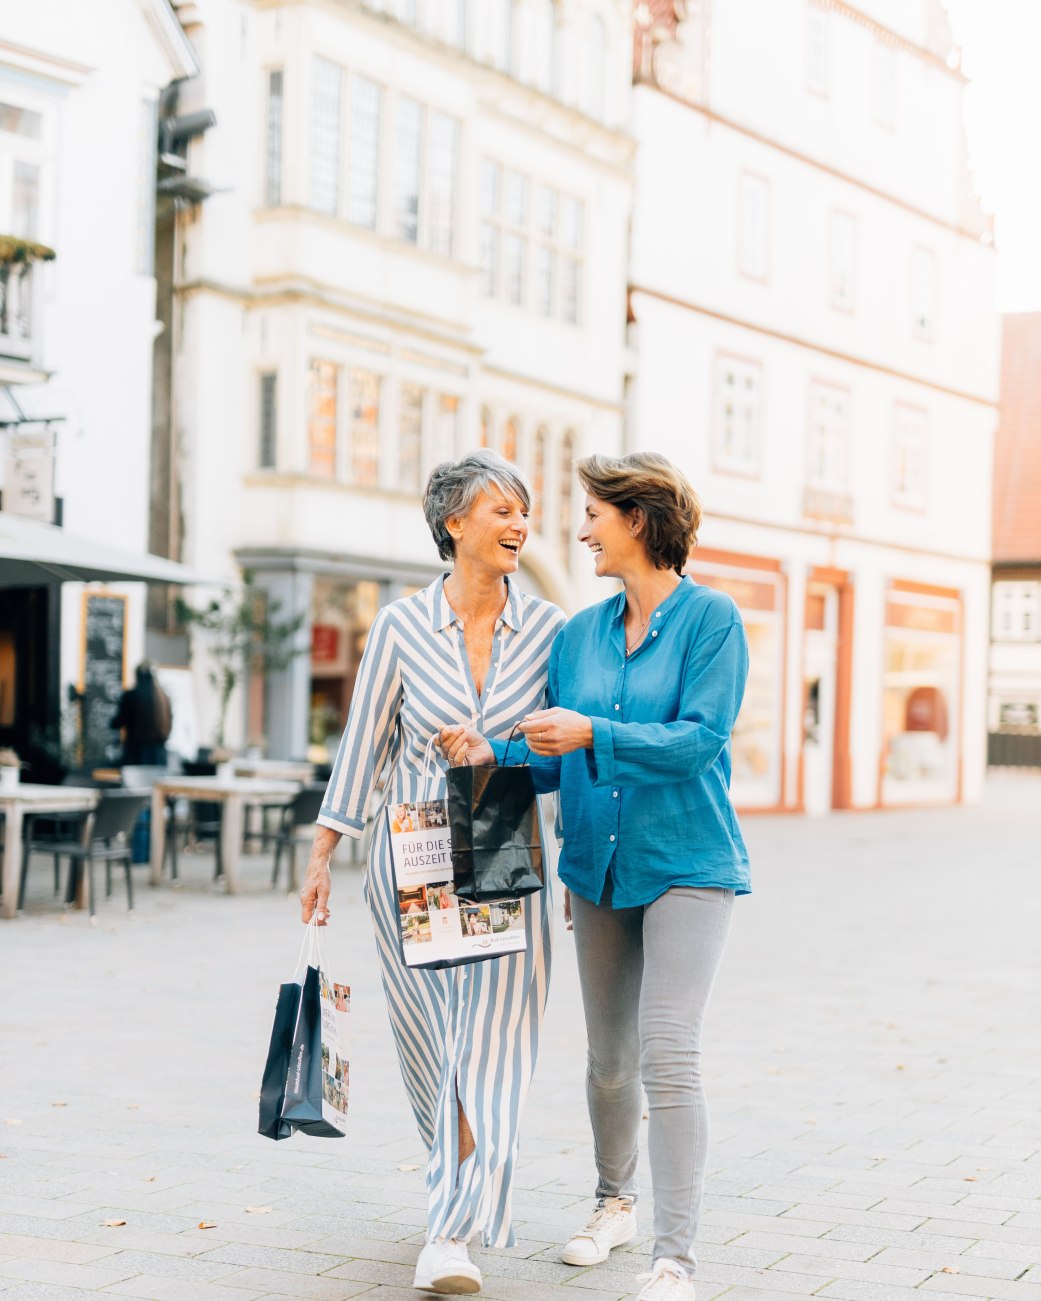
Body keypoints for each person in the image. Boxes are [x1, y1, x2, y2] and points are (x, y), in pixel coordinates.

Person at [442, 452, 750, 1301]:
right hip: (595, 866)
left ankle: (672, 1257)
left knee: (667, 1051)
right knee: (609, 1059)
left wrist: (592, 735)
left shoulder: (709, 620)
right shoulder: (578, 635)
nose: (578, 530)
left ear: (638, 520)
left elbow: (699, 742)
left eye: (592, 514)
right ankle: (613, 1201)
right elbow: (550, 752)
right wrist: (492, 752)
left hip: (688, 861)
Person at [299, 450, 564, 1296]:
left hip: (498, 832)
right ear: (454, 523)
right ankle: (453, 1191)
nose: (519, 524)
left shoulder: (552, 630)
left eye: (525, 511)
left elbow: (567, 742)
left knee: (490, 1043)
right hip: (412, 842)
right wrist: (322, 853)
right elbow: (362, 745)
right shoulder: (400, 627)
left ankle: (449, 1228)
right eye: (502, 510)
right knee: (432, 1045)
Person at [111, 662, 172, 766]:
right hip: (158, 758)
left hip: (136, 756)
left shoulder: (131, 696)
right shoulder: (164, 698)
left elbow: (117, 722)